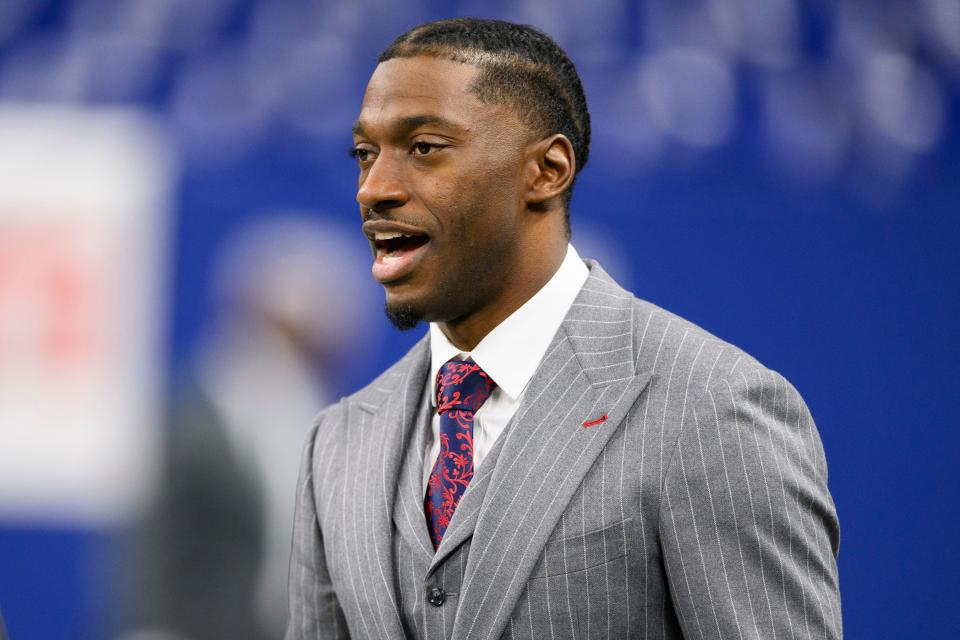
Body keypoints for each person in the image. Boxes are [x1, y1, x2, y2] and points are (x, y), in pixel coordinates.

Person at [287, 17, 841, 640]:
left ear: (547, 170)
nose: (374, 188)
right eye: (365, 154)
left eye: (425, 148)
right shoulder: (336, 442)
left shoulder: (712, 409)